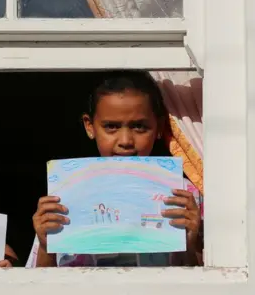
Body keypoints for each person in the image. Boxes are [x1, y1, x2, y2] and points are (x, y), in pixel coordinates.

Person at [29, 71, 203, 267]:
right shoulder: (65, 195)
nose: (125, 141)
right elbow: (41, 287)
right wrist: (46, 245)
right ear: (90, 126)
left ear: (159, 127)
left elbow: (205, 284)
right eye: (111, 126)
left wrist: (191, 242)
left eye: (139, 126)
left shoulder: (184, 196)